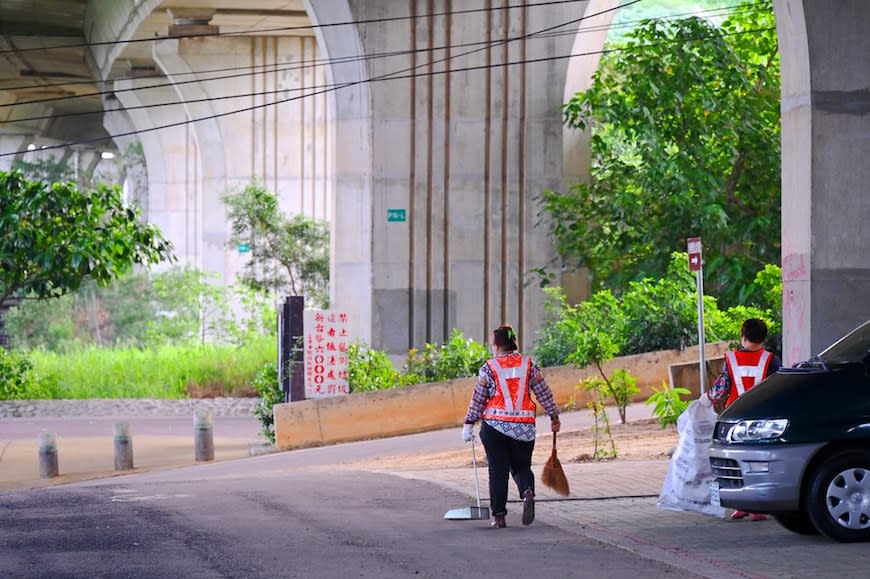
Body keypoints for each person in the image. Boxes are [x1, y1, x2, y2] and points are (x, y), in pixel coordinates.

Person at [461, 324, 561, 528]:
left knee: (497, 470)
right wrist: (554, 416)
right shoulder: (529, 364)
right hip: (523, 428)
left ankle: (499, 516)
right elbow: (544, 392)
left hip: (494, 427)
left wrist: (469, 424)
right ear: (513, 342)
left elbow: (478, 399)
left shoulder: (489, 367)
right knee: (521, 467)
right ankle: (527, 492)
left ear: (496, 346)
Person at [708, 318, 781, 522]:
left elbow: (722, 387)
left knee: (734, 462)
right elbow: (778, 387)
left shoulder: (730, 359)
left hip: (734, 420)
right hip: (762, 420)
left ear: (743, 336)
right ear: (763, 338)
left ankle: (740, 506)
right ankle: (757, 508)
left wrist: (706, 400)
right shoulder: (771, 359)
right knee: (757, 463)